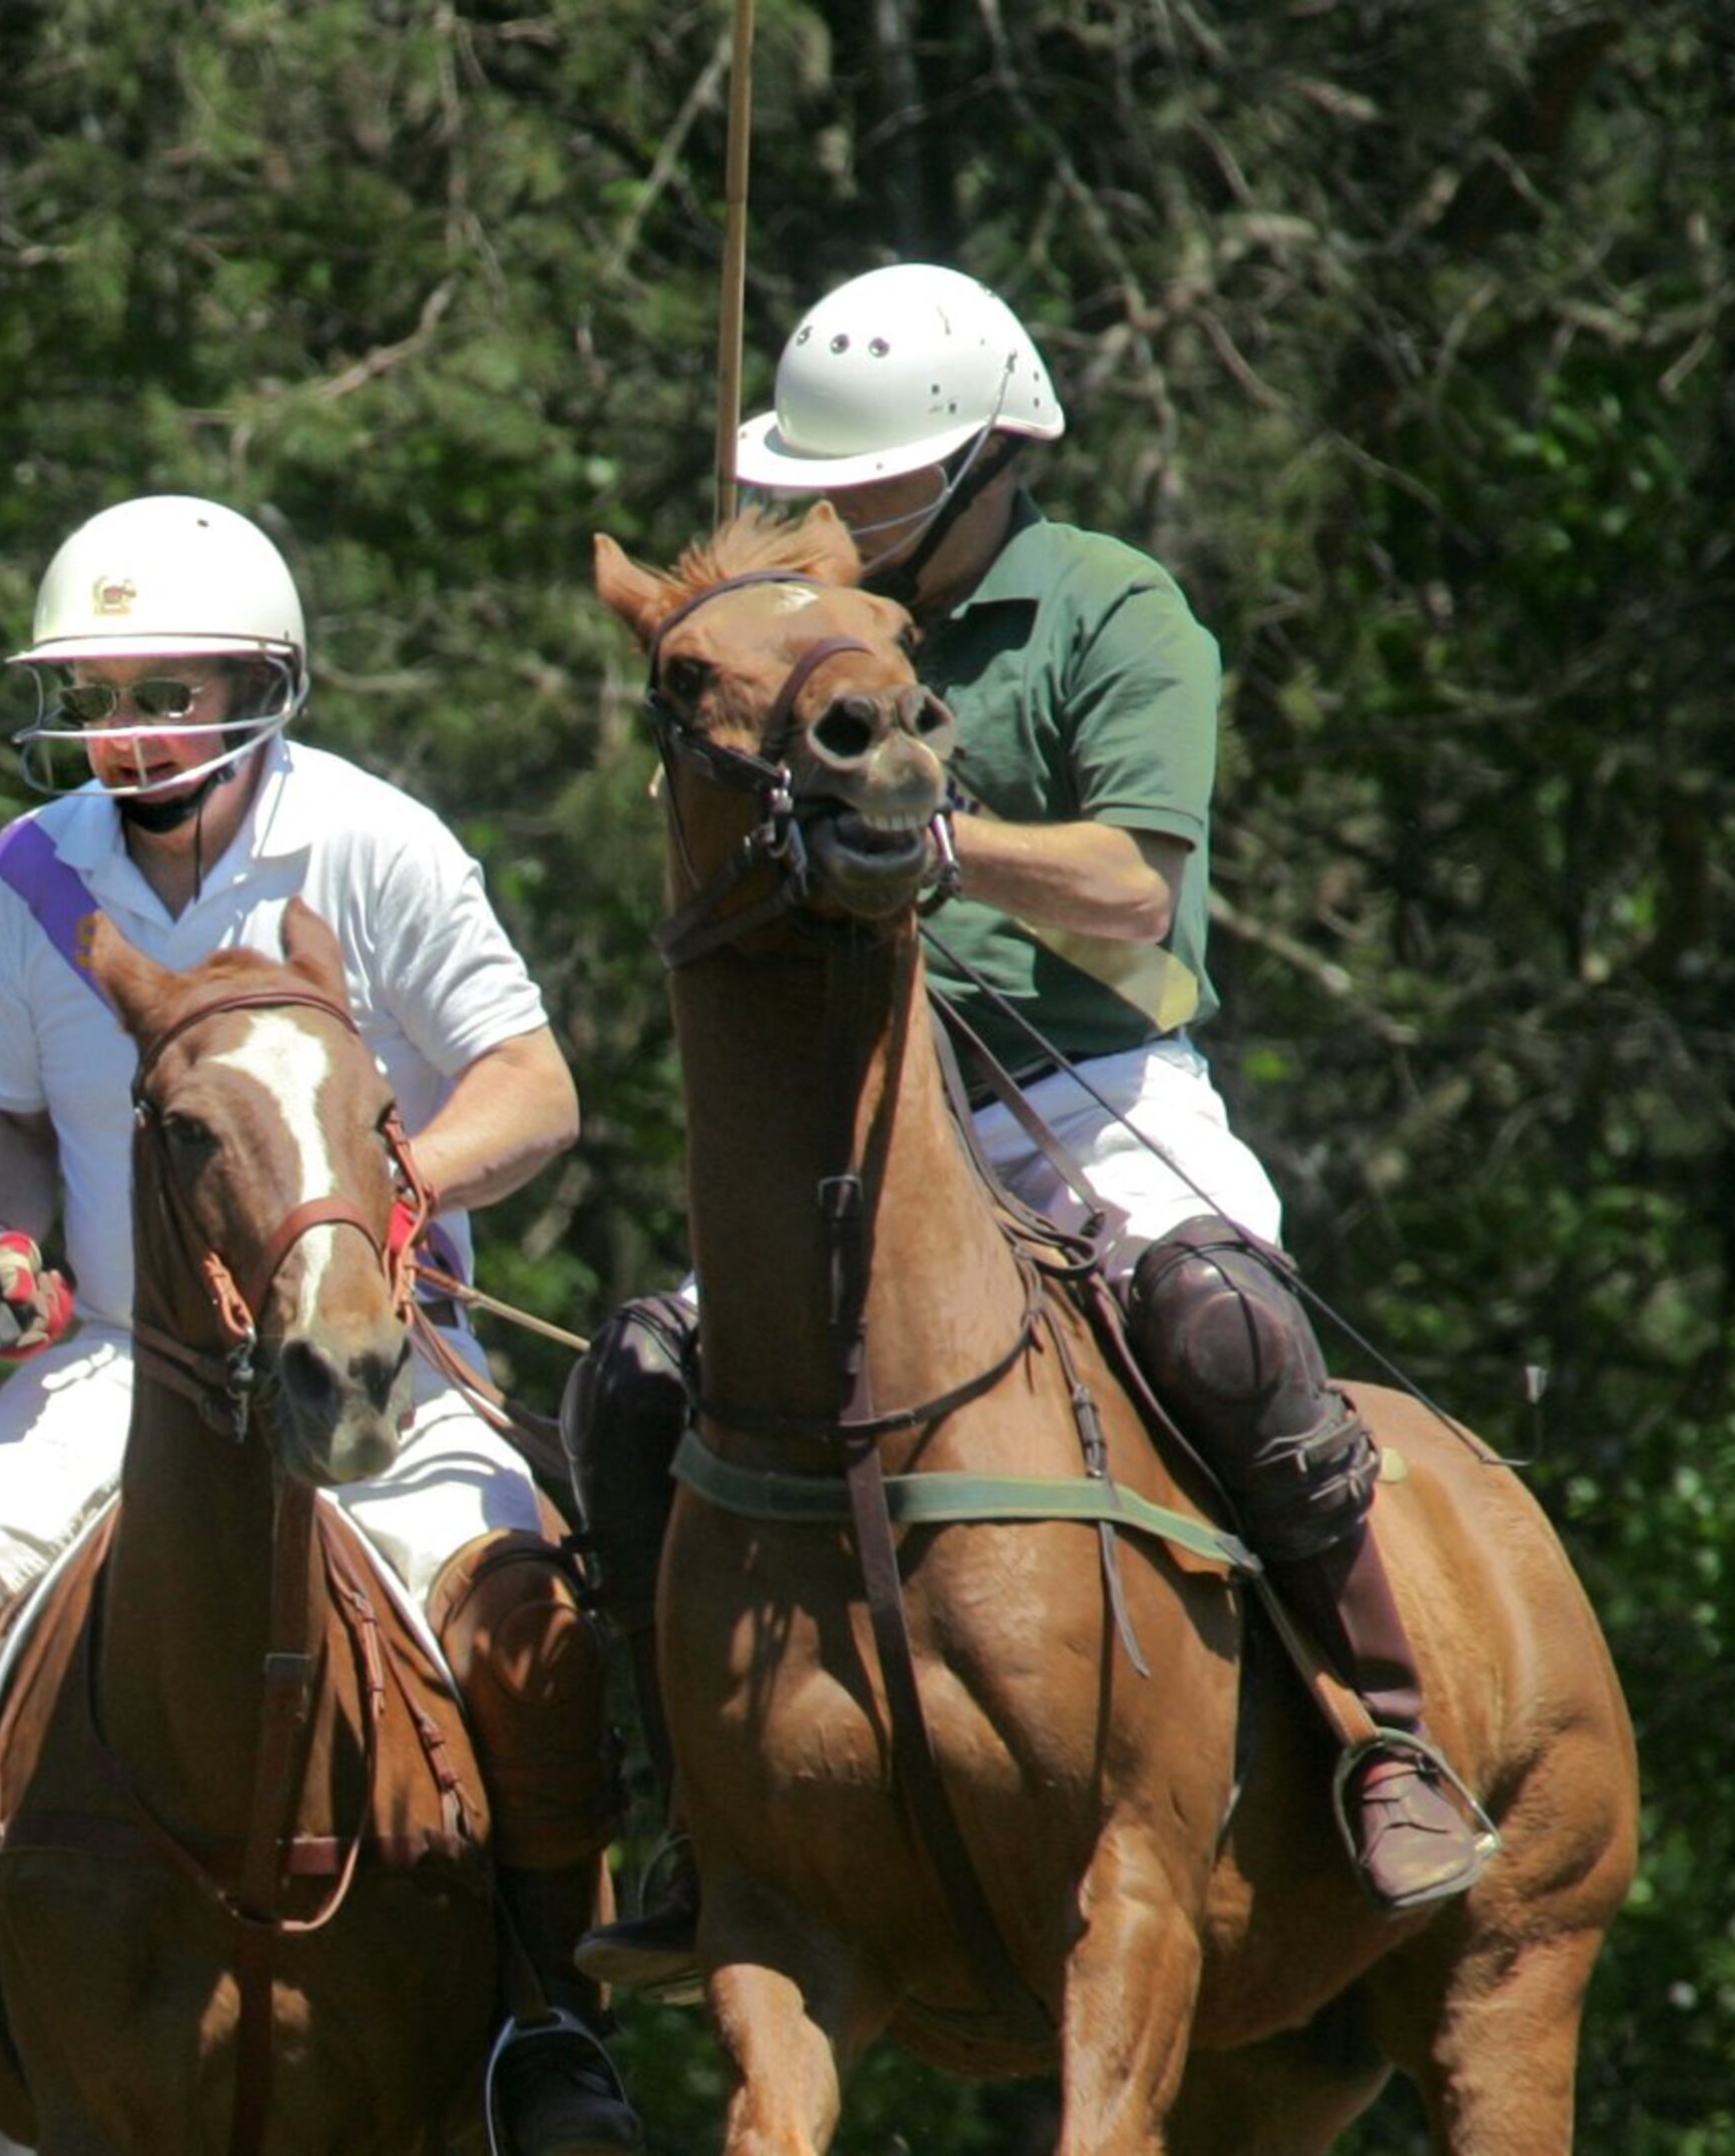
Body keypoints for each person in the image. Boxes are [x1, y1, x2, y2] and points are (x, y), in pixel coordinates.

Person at [561, 263, 1490, 1995]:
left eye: (889, 487)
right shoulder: (810, 620)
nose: (850, 517)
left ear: (998, 459)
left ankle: (1383, 1732)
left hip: (1093, 1095)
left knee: (1226, 1328)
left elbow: (1139, 891)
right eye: (826, 485)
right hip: (882, 1114)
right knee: (629, 1378)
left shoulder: (1111, 611)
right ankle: (689, 1804)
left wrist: (935, 844)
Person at [0, 496, 644, 2156]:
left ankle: (549, 2022)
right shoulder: (35, 871)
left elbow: (536, 1085)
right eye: (98, 694)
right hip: (119, 1366)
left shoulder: (375, 842)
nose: (126, 731)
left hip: (374, 1366)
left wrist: (386, 1194)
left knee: (532, 1640)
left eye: (166, 690)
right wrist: (0, 1232)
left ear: (254, 683)